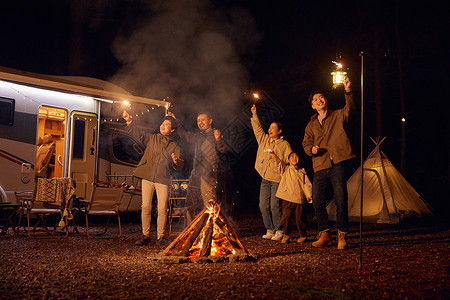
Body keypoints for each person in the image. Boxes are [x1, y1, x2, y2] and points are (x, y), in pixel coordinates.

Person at [302, 76, 355, 250]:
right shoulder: (310, 124)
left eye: (321, 98)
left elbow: (350, 109)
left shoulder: (338, 115)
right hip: (319, 164)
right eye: (315, 100)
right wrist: (312, 150)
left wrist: (348, 91)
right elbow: (306, 143)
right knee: (317, 200)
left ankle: (342, 235)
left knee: (341, 200)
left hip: (337, 162)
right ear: (312, 105)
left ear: (326, 100)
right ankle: (325, 233)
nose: (319, 100)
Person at [122, 111, 184, 245]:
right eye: (162, 123)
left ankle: (160, 237)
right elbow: (138, 134)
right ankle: (146, 236)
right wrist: (129, 121)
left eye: (167, 124)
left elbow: (179, 164)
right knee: (145, 206)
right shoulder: (153, 138)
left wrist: (176, 160)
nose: (163, 126)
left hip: (162, 178)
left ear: (172, 130)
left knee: (162, 208)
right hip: (147, 176)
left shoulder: (174, 146)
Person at [167, 111, 227, 224]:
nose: (200, 122)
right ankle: (189, 229)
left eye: (203, 120)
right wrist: (176, 121)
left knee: (210, 202)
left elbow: (223, 149)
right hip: (196, 172)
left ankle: (213, 228)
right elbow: (185, 135)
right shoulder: (198, 136)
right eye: (198, 120)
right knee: (189, 202)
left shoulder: (214, 134)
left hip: (208, 173)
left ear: (210, 121)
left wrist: (219, 139)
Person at [251, 104, 292, 241]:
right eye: (269, 128)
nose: (270, 130)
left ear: (280, 131)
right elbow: (257, 130)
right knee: (263, 205)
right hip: (265, 178)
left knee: (274, 206)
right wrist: (255, 116)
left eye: (273, 128)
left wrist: (275, 157)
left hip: (277, 179)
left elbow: (289, 163)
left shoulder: (284, 145)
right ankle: (269, 229)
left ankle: (279, 230)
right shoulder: (264, 140)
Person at [270, 150, 312, 244]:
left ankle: (303, 235)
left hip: (299, 198)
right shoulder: (286, 169)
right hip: (287, 197)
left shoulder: (302, 172)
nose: (294, 158)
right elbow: (279, 163)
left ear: (300, 160)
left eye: (296, 156)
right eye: (292, 157)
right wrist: (274, 155)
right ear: (288, 160)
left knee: (300, 218)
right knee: (286, 217)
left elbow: (307, 184)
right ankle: (286, 235)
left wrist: (309, 195)